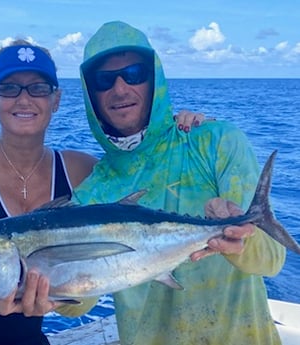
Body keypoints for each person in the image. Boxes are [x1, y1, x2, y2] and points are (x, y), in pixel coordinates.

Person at [0, 38, 205, 345]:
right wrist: (17, 284)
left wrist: (177, 126)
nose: (24, 99)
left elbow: (140, 167)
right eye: (9, 87)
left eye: (38, 88)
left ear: (55, 100)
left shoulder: (80, 169)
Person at [70, 21, 286, 344]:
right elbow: (81, 300)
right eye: (104, 80)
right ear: (91, 94)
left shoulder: (215, 142)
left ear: (153, 78)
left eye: (134, 74)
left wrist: (243, 239)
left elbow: (272, 259)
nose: (119, 89)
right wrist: (49, 293)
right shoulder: (92, 194)